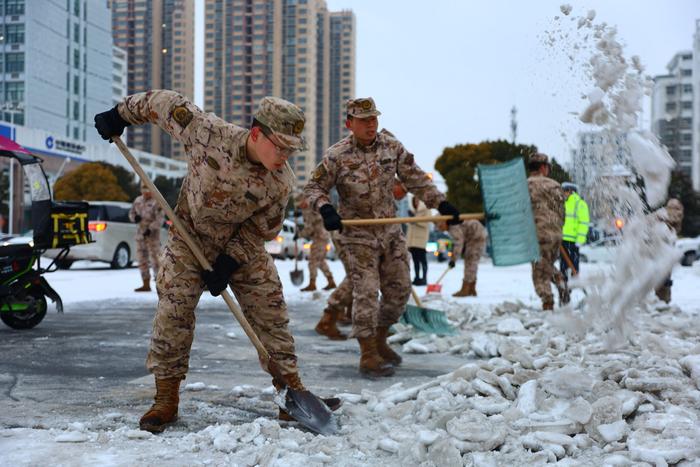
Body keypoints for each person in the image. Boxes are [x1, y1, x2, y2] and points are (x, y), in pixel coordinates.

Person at [94, 90, 338, 433]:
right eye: (279, 146)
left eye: (290, 149)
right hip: (188, 238)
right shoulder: (208, 133)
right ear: (257, 133)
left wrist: (227, 262)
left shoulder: (280, 183)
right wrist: (120, 115)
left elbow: (259, 232)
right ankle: (166, 399)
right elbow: (163, 103)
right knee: (173, 312)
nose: (284, 156)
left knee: (272, 314)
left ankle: (290, 393)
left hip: (241, 249)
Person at [303, 97, 460, 377]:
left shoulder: (392, 147)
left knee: (400, 291)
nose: (371, 125)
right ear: (349, 123)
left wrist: (441, 203)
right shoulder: (336, 155)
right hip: (358, 235)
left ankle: (379, 337)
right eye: (364, 121)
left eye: (374, 119)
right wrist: (326, 208)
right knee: (365, 293)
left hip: (389, 232)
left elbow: (416, 179)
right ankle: (367, 354)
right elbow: (314, 188)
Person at [527, 153, 568, 310]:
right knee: (546, 265)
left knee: (539, 272)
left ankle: (548, 303)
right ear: (543, 167)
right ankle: (560, 282)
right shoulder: (555, 185)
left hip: (537, 233)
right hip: (555, 233)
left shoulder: (525, 185)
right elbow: (561, 211)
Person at [129, 182, 165, 292]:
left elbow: (160, 219)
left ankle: (160, 284)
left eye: (148, 191)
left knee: (155, 260)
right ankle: (145, 284)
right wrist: (135, 218)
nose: (146, 193)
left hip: (152, 236)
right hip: (140, 235)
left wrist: (150, 229)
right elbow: (131, 213)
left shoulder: (157, 201)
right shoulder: (138, 200)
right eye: (144, 191)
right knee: (142, 259)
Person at [297, 194, 336, 292]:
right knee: (320, 261)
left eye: (300, 203)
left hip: (319, 237)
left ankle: (312, 284)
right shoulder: (311, 207)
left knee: (313, 261)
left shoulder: (309, 210)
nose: (300, 205)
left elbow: (309, 228)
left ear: (304, 201)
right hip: (322, 236)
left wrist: (299, 234)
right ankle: (331, 281)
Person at [441, 219, 487, 297]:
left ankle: (466, 288)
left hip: (475, 237)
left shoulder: (453, 227)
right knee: (472, 263)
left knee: (470, 262)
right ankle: (471, 288)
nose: (439, 228)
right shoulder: (456, 224)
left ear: (444, 222)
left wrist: (453, 260)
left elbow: (458, 243)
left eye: (440, 226)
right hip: (479, 235)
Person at [655, 198, 684, 303]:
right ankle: (662, 300)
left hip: (665, 254)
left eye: (677, 209)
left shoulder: (672, 221)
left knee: (665, 279)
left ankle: (664, 300)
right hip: (660, 254)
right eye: (672, 208)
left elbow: (676, 225)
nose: (675, 212)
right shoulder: (661, 216)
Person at [560, 182, 590, 279]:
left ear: (572, 191)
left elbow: (584, 223)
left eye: (566, 190)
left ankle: (575, 282)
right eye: (563, 191)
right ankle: (564, 286)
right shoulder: (562, 203)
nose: (564, 193)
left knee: (573, 264)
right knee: (563, 265)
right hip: (562, 239)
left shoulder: (580, 204)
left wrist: (580, 239)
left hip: (573, 241)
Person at [406, 195, 431, 286]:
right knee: (415, 260)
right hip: (412, 241)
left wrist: (415, 220)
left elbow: (427, 222)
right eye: (414, 200)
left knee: (422, 260)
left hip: (421, 240)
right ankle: (417, 277)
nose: (416, 202)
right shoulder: (413, 211)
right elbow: (410, 227)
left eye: (417, 200)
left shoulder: (426, 210)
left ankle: (424, 278)